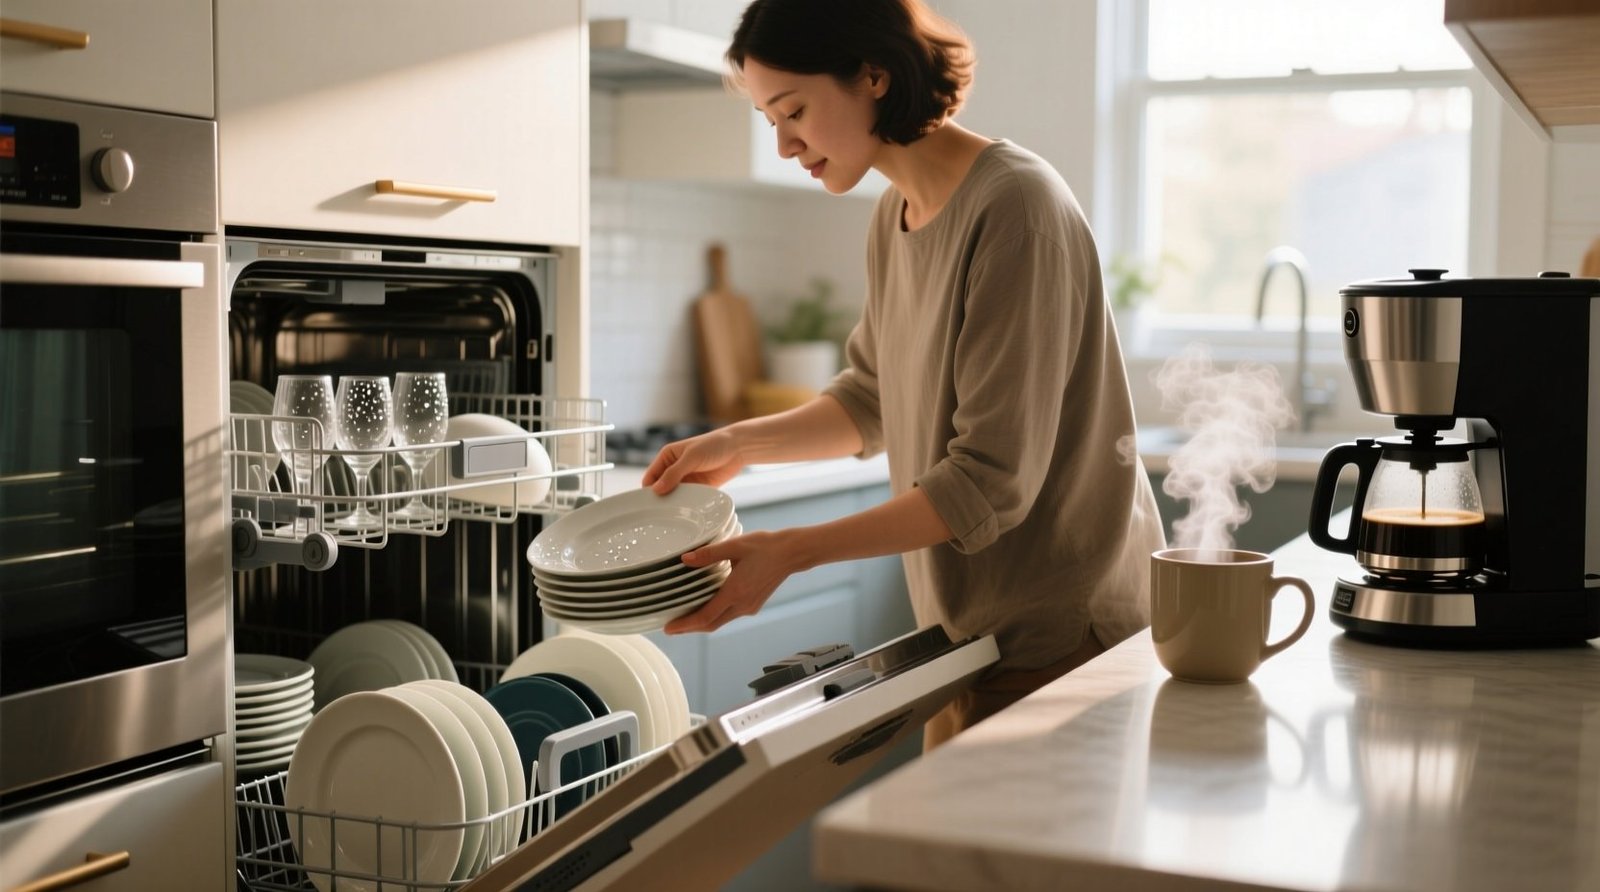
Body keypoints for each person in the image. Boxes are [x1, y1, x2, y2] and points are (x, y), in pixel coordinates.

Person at [643, 0, 1166, 750]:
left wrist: (791, 552)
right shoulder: (896, 216)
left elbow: (988, 482)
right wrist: (736, 443)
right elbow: (870, 399)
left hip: (1062, 643)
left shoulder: (1016, 205)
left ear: (874, 75)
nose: (787, 143)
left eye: (794, 110)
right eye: (770, 121)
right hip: (967, 640)